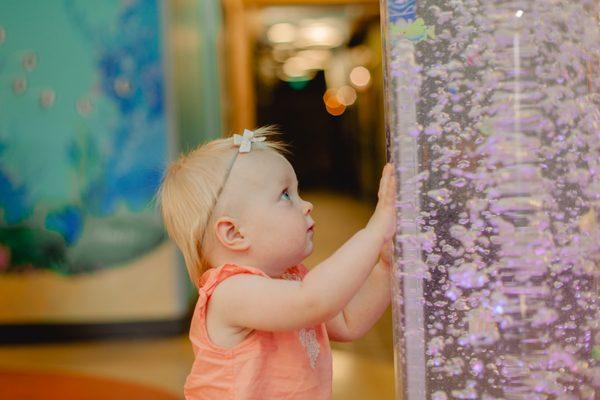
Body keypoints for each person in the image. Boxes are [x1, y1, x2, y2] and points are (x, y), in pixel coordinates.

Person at [158, 126, 397, 399]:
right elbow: (315, 300)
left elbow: (347, 322)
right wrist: (375, 231)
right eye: (286, 195)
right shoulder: (230, 292)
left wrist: (385, 270)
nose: (306, 205)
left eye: (298, 192)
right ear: (234, 234)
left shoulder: (288, 278)